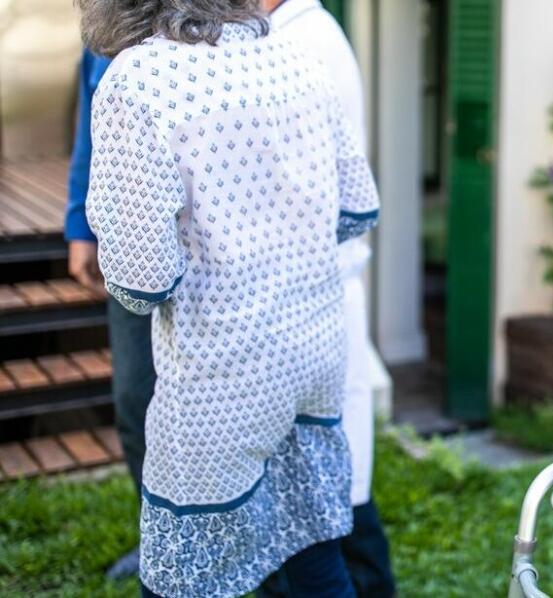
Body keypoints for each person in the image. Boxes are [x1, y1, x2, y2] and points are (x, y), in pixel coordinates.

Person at [79, 0, 379, 595]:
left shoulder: (137, 79)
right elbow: (356, 209)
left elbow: (142, 282)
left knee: (182, 580)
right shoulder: (297, 54)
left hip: (221, 377)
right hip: (313, 350)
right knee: (315, 556)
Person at [258, 1, 395, 594]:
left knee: (333, 490)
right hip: (300, 300)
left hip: (315, 297)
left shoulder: (308, 41)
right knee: (324, 482)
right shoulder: (276, 35)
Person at [64, 47, 150, 581]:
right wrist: (79, 225)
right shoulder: (108, 23)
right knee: (135, 396)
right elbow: (88, 129)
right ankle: (158, 535)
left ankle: (243, 534)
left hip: (211, 253)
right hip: (129, 247)